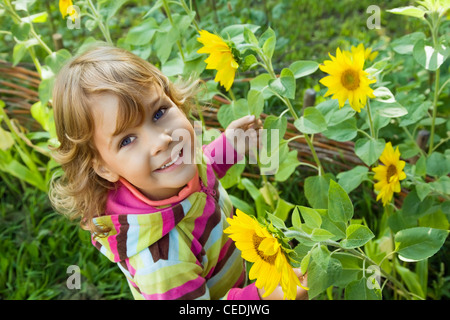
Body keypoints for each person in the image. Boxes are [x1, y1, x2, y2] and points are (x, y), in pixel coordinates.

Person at [49, 44, 307, 300]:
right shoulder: (162, 261)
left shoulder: (170, 171)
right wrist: (264, 297)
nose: (161, 140)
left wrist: (229, 147)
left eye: (159, 112)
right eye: (127, 140)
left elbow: (202, 167)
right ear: (104, 167)